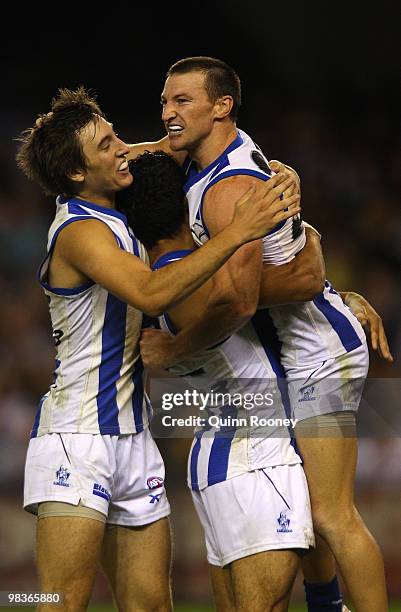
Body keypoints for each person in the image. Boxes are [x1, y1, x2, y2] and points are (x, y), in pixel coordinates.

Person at [15, 86, 300, 612]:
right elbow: (151, 293)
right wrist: (239, 230)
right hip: (77, 436)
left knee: (150, 605)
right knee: (58, 599)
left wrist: (283, 177)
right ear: (77, 174)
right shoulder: (79, 231)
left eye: (116, 135)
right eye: (106, 146)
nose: (123, 148)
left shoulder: (113, 186)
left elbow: (181, 145)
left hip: (134, 435)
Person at [136, 57, 391, 612]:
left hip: (318, 353)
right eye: (165, 101)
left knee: (330, 512)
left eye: (182, 102)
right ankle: (326, 604)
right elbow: (298, 260)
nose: (168, 114)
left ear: (222, 106)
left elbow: (242, 298)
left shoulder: (230, 187)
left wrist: (176, 346)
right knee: (305, 498)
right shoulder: (208, 161)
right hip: (298, 345)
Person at [117, 149, 316, 612]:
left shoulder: (165, 281)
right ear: (187, 205)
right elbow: (254, 297)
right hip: (253, 455)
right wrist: (284, 232)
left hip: (222, 455)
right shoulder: (202, 284)